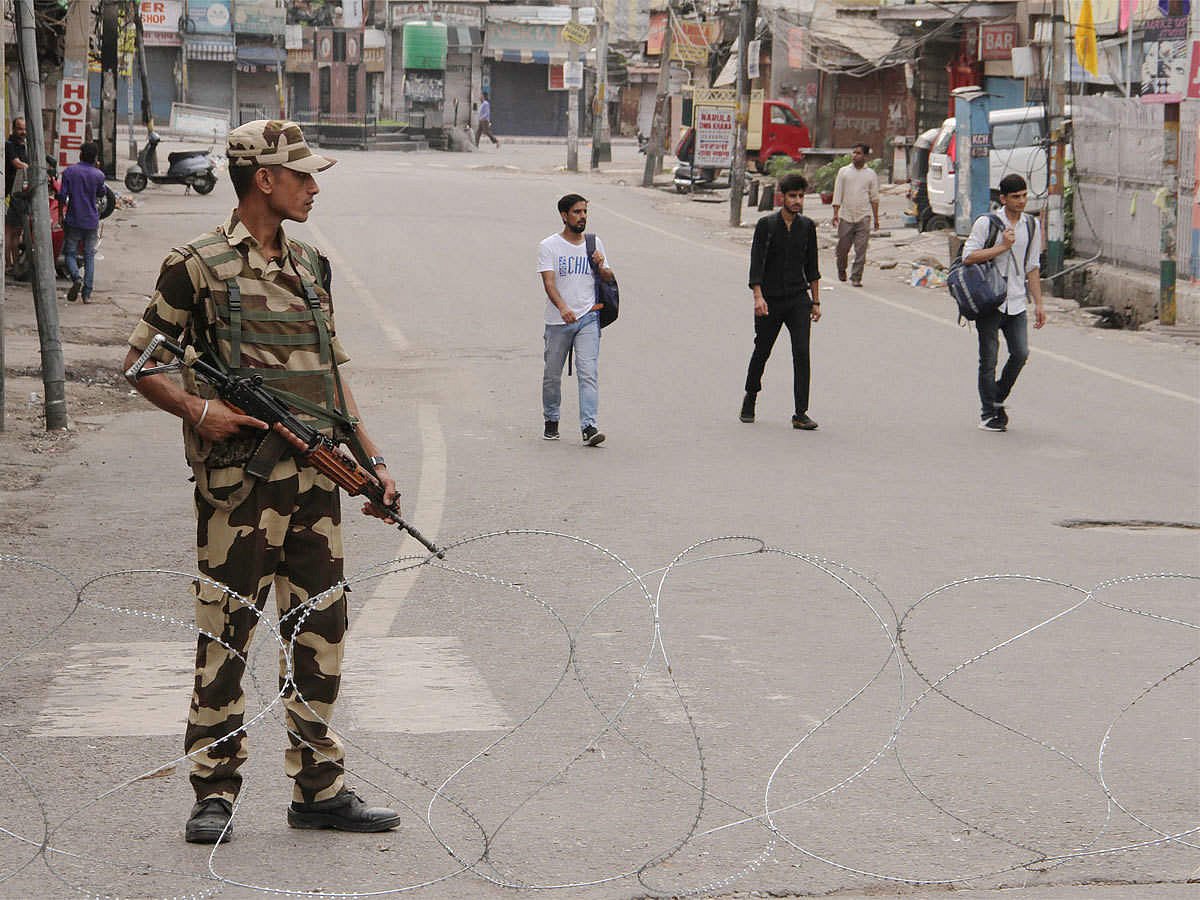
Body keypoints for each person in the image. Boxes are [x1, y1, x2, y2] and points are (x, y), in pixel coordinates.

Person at [122, 120, 403, 844]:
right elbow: (142, 359)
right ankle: (213, 790)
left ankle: (319, 788)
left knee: (321, 633)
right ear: (263, 181)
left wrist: (370, 461)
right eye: (301, 175)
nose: (314, 187)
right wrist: (197, 408)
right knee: (228, 636)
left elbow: (332, 378)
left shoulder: (312, 266)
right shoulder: (196, 265)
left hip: (316, 484)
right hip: (238, 491)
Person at [961, 172, 1046, 432]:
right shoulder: (987, 224)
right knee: (988, 359)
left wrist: (1039, 304)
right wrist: (1001, 247)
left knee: (1020, 353)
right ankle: (988, 414)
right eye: (1015, 197)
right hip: (990, 300)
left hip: (1017, 301)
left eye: (1024, 196)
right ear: (1003, 199)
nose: (1021, 201)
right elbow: (968, 256)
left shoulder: (1031, 225)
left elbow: (1032, 267)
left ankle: (996, 398)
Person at [740, 172, 822, 430]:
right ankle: (750, 396)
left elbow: (812, 268)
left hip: (798, 299)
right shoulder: (767, 225)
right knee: (762, 351)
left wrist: (816, 302)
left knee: (801, 352)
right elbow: (757, 263)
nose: (797, 201)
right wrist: (758, 296)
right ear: (782, 198)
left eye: (801, 196)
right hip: (770, 300)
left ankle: (800, 412)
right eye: (792, 196)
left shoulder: (807, 227)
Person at [538, 193, 614, 446]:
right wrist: (562, 308)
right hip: (559, 321)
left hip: (589, 317)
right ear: (564, 215)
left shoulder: (594, 244)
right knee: (552, 376)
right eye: (577, 212)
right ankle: (551, 419)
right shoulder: (549, 246)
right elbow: (549, 283)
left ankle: (589, 427)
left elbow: (608, 277)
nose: (582, 217)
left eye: (585, 212)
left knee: (588, 373)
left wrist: (602, 267)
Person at [57, 142, 107, 302]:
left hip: (73, 219)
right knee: (89, 256)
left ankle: (76, 278)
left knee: (70, 252)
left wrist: (60, 214)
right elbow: (101, 193)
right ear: (95, 158)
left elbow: (62, 196)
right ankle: (87, 294)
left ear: (80, 155)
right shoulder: (99, 175)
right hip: (91, 220)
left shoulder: (69, 172)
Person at [830, 142, 879, 288]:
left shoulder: (870, 175)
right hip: (846, 216)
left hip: (863, 216)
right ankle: (841, 269)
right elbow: (838, 193)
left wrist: (876, 219)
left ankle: (856, 277)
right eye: (854, 152)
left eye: (858, 153)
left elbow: (874, 198)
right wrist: (835, 213)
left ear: (865, 156)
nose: (855, 156)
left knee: (861, 250)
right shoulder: (844, 172)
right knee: (842, 248)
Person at [5, 117, 29, 273]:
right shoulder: (10, 145)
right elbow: (16, 163)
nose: (23, 132)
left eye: (25, 129)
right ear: (13, 129)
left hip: (20, 194)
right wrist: (32, 167)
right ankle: (7, 263)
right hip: (9, 193)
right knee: (9, 230)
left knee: (17, 231)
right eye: (20, 129)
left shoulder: (24, 146)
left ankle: (14, 263)